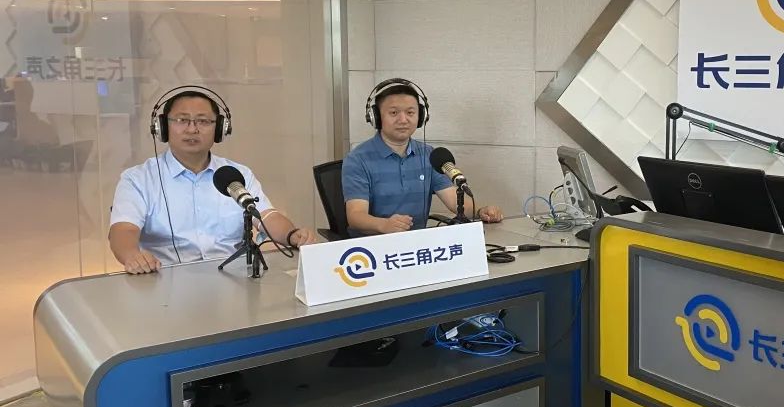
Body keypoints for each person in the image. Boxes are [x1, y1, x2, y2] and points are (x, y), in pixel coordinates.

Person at [109, 87, 318, 274]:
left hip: (234, 277)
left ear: (220, 129)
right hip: (164, 279)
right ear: (162, 126)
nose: (192, 129)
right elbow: (123, 229)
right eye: (182, 120)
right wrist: (132, 256)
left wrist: (292, 235)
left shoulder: (236, 174)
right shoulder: (138, 179)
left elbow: (266, 216)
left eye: (203, 121)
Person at [343, 78, 503, 235]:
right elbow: (355, 216)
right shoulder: (358, 159)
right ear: (376, 117)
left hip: (419, 245)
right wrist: (384, 225)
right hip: (372, 246)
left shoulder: (429, 155)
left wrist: (481, 211)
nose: (403, 120)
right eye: (393, 113)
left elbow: (454, 200)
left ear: (421, 117)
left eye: (410, 112)